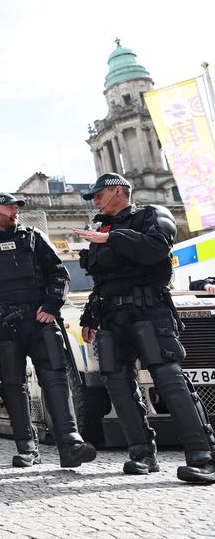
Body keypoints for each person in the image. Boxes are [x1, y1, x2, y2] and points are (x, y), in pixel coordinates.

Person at [74, 173, 215, 484]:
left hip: (149, 310)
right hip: (111, 315)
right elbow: (102, 282)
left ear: (118, 192)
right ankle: (142, 454)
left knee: (169, 379)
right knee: (117, 383)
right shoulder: (102, 229)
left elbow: (155, 249)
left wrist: (112, 239)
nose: (95, 201)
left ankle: (203, 456)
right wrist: (89, 317)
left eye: (99, 195)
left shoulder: (151, 215)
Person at [0, 193, 96, 468]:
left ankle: (70, 444)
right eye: (10, 208)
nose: (15, 212)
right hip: (1, 322)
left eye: (17, 208)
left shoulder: (34, 238)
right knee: (13, 386)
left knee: (55, 378)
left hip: (39, 319)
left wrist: (52, 304)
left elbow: (59, 273)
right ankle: (27, 448)